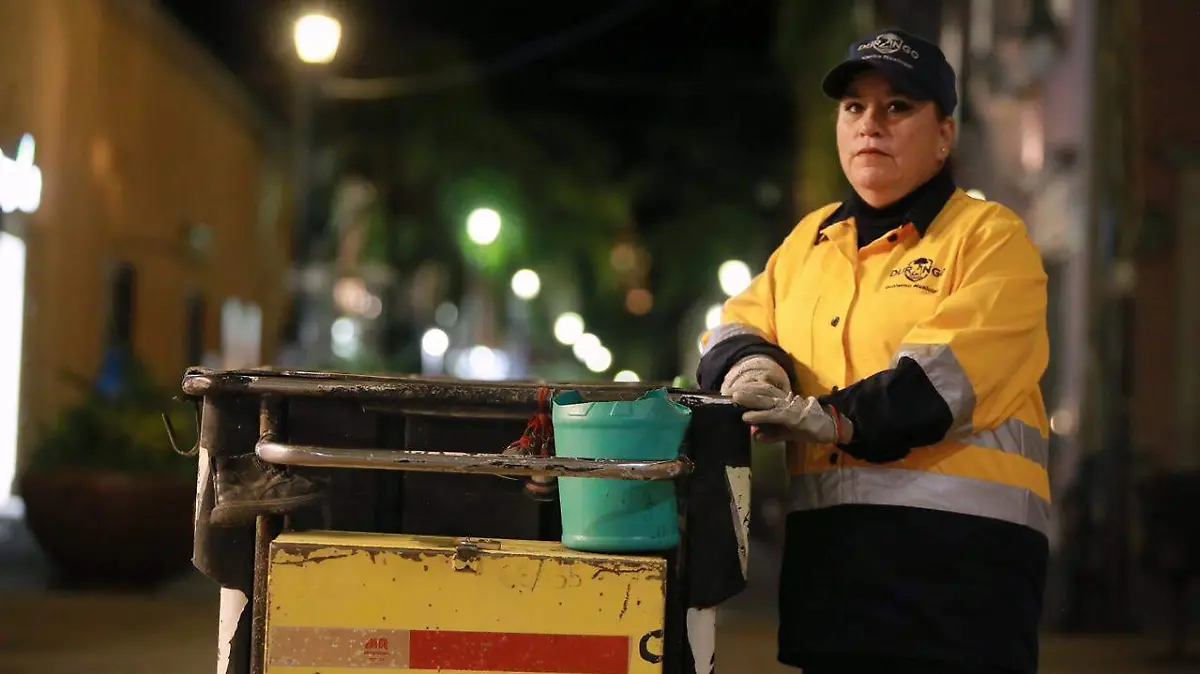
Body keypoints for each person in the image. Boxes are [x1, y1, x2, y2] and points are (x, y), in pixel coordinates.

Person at [697, 28, 1051, 674]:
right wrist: (754, 368)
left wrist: (830, 419)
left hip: (961, 591)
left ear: (944, 135)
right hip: (835, 584)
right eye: (854, 107)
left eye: (898, 107)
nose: (870, 125)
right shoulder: (809, 244)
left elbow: (946, 381)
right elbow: (733, 326)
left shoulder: (992, 240)